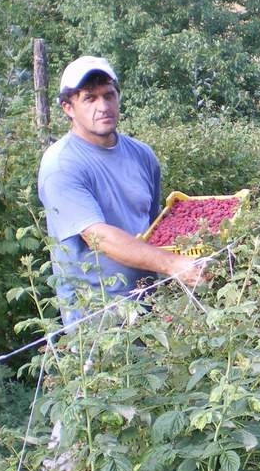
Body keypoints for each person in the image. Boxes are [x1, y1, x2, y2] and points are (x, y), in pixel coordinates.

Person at [38, 55, 204, 325]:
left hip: (149, 304)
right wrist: (173, 264)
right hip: (96, 315)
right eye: (89, 98)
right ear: (68, 107)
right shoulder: (61, 165)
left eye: (109, 95)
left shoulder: (141, 154)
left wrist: (195, 249)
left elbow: (153, 227)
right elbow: (98, 237)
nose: (103, 106)